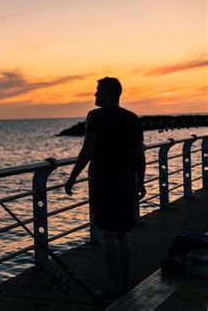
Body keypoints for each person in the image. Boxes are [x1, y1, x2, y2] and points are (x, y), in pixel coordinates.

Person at [64, 77, 146, 298]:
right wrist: (142, 181)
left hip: (104, 181)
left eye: (98, 90)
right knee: (122, 234)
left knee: (108, 234)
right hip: (127, 180)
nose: (94, 95)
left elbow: (87, 150)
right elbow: (140, 154)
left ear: (109, 94)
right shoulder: (132, 119)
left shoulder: (95, 117)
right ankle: (125, 283)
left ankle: (113, 285)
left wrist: (72, 178)